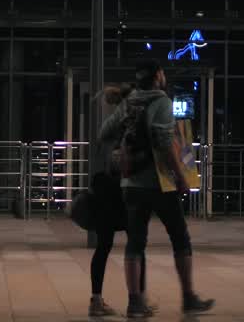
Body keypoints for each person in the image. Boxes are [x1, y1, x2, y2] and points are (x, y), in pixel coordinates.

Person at [112, 60, 214, 318]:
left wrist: (119, 152)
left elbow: (105, 132)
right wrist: (181, 177)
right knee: (180, 238)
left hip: (131, 183)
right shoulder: (162, 102)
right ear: (158, 76)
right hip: (160, 183)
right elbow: (165, 144)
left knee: (135, 242)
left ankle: (134, 303)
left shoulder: (128, 103)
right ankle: (188, 297)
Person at [89, 84, 153, 317]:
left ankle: (96, 300)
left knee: (103, 247)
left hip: (105, 191)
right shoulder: (129, 124)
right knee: (136, 245)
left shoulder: (107, 126)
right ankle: (138, 299)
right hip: (126, 191)